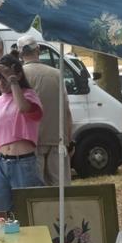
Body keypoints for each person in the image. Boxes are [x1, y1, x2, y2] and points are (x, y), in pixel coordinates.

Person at [0, 53, 44, 212]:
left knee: (28, 212)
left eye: (5, 76)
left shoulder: (28, 95)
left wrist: (13, 81)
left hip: (24, 162)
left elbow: (24, 108)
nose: (1, 81)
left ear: (18, 75)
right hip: (2, 162)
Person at [17, 34, 73, 185]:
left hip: (31, 142)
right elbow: (66, 110)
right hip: (57, 140)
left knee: (37, 192)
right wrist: (69, 139)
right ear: (38, 50)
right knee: (61, 189)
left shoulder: (18, 77)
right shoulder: (56, 74)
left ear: (20, 54)